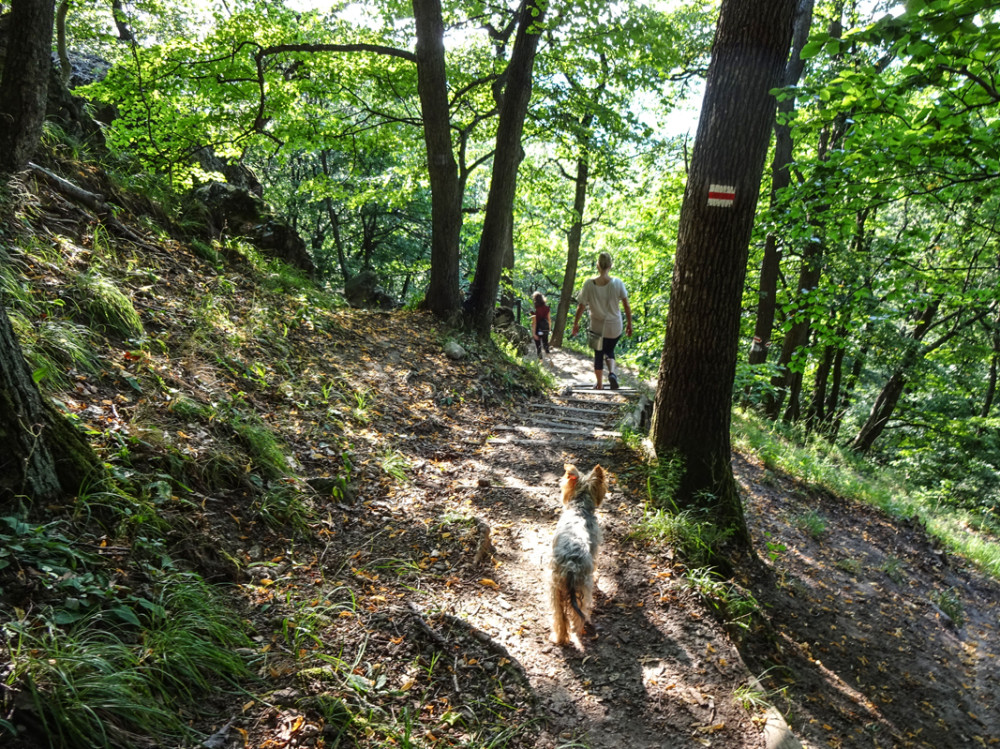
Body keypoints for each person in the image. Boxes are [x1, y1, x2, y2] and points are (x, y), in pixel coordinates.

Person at [570, 251, 633, 389]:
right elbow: (626, 305)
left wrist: (576, 324)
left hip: (597, 326)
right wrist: (629, 324)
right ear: (610, 265)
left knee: (598, 353)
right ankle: (611, 373)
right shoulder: (618, 283)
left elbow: (581, 306)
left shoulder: (588, 284)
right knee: (609, 350)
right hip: (614, 326)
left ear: (598, 265)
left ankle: (599, 384)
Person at [531, 291, 551, 362]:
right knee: (545, 343)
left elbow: (534, 322)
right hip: (545, 328)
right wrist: (549, 329)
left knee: (538, 346)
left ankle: (541, 362)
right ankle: (549, 357)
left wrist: (533, 333)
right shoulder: (547, 308)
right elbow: (549, 319)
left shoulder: (534, 309)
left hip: (537, 329)